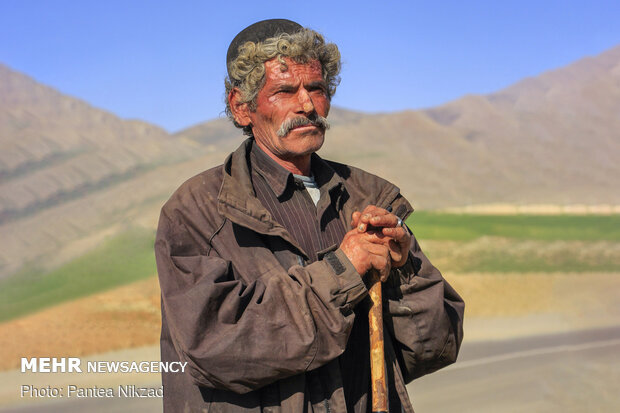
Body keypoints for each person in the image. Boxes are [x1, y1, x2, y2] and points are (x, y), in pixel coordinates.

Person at [155, 19, 464, 413]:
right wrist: (343, 270)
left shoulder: (370, 197)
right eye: (284, 91)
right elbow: (215, 347)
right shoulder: (197, 211)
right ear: (241, 106)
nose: (306, 105)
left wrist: (404, 272)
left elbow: (435, 347)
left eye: (316, 89)